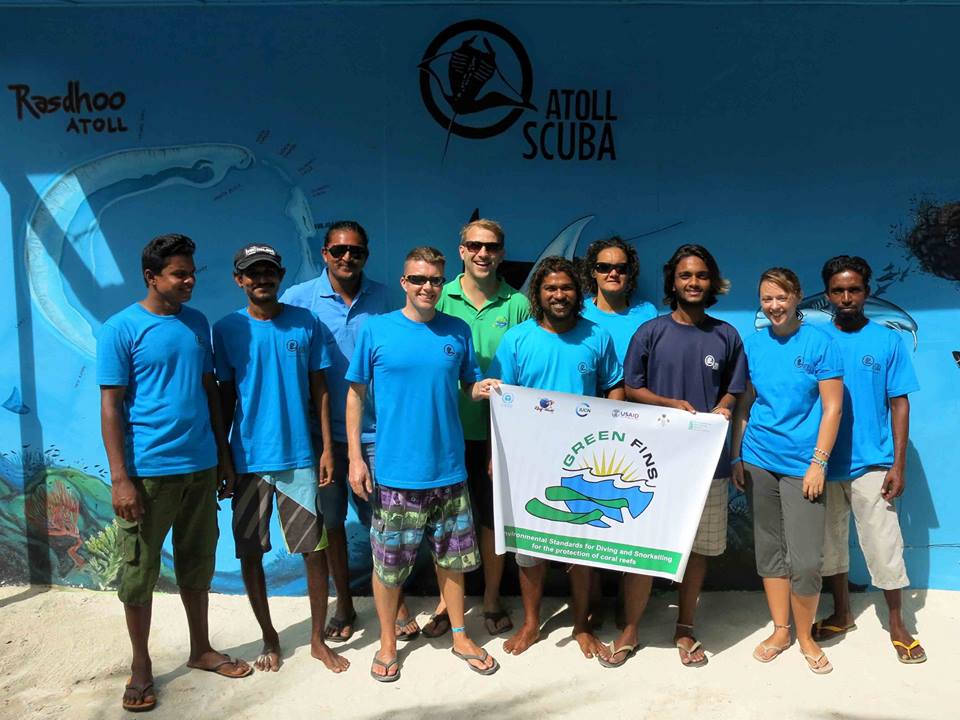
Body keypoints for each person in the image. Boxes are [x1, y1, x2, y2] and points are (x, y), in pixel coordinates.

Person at [98, 234, 251, 713]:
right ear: (151, 277)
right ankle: (141, 664)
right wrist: (121, 478)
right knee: (139, 571)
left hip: (201, 468)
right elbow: (110, 407)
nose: (188, 282)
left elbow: (209, 392)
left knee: (197, 561)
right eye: (178, 274)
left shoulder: (196, 323)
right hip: (149, 473)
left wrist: (223, 458)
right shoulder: (121, 328)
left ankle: (200, 648)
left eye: (191, 273)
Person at [345, 246, 501, 682]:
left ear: (443, 281)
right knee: (389, 564)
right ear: (403, 283)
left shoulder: (457, 330)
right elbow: (355, 394)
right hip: (396, 474)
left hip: (449, 471)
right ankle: (388, 644)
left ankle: (459, 635)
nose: (426, 287)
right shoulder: (377, 331)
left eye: (434, 280)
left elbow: (467, 386)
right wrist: (356, 457)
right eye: (418, 279)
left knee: (452, 562)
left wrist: (483, 387)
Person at [213, 243, 348, 674]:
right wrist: (224, 459)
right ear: (239, 280)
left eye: (269, 271)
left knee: (313, 551)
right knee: (250, 553)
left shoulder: (304, 322)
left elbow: (321, 390)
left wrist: (327, 448)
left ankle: (315, 640)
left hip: (300, 459)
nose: (261, 279)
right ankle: (269, 636)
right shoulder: (227, 329)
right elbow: (225, 397)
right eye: (252, 273)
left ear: (281, 274)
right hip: (248, 460)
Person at [280, 221, 417, 642]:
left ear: (366, 255)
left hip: (378, 435)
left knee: (385, 520)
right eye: (338, 251)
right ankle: (343, 603)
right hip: (321, 440)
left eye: (355, 251)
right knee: (332, 522)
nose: (346, 258)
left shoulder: (388, 299)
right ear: (324, 252)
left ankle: (397, 604)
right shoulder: (298, 301)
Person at [488, 256, 624, 661]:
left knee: (581, 545)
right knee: (529, 548)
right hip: (528, 457)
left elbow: (613, 386)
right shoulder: (517, 340)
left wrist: (613, 433)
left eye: (566, 288)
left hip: (583, 461)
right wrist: (498, 453)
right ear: (538, 294)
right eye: (551, 289)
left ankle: (582, 625)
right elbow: (500, 399)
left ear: (578, 292)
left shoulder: (597, 337)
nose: (559, 295)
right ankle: (532, 623)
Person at [623, 244, 746, 668]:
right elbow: (632, 387)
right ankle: (630, 628)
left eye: (701, 276)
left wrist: (726, 405)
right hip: (651, 463)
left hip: (708, 466)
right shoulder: (650, 332)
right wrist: (667, 403)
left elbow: (736, 387)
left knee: (697, 551)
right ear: (672, 282)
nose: (693, 283)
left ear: (712, 282)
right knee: (642, 548)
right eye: (685, 276)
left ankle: (685, 626)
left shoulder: (726, 334)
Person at [731, 267, 843, 675]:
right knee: (770, 551)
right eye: (766, 299)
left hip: (803, 467)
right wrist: (737, 456)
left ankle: (806, 635)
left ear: (796, 297)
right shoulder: (754, 345)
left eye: (781, 297)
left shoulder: (819, 343)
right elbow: (744, 406)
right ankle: (781, 630)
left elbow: (832, 407)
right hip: (759, 460)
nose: (774, 306)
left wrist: (818, 463)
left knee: (807, 561)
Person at [422, 218, 530, 638]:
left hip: (498, 435)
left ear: (501, 252)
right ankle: (445, 603)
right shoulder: (439, 296)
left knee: (491, 520)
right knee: (443, 521)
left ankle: (489, 598)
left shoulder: (517, 303)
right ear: (462, 250)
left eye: (492, 247)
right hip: (445, 430)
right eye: (475, 246)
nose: (484, 253)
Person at [815, 255, 925, 664]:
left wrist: (898, 464)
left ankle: (898, 623)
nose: (846, 297)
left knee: (884, 546)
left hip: (872, 462)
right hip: (823, 464)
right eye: (838, 290)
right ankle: (842, 613)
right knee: (831, 547)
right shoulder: (816, 340)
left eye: (854, 289)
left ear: (867, 291)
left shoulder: (887, 340)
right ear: (827, 295)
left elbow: (899, 403)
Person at [580, 235, 657, 359]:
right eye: (604, 267)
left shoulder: (648, 313)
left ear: (630, 273)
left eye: (621, 268)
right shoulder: (579, 312)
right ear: (593, 272)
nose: (614, 273)